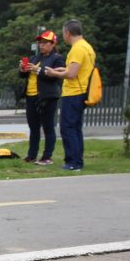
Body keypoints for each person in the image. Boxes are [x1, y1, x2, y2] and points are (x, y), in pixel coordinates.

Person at [44, 19, 95, 171]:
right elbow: (75, 70)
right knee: (76, 128)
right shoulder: (87, 47)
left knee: (68, 128)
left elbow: (71, 73)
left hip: (74, 92)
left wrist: (54, 73)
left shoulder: (77, 49)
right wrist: (61, 70)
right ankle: (77, 160)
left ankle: (72, 162)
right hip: (82, 90)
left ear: (67, 33)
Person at [18, 30, 65, 165]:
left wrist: (37, 70)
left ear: (53, 43)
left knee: (48, 127)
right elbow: (23, 76)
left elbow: (56, 76)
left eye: (45, 42)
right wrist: (22, 69)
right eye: (40, 42)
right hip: (31, 96)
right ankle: (31, 155)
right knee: (33, 127)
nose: (41, 45)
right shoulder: (35, 58)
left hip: (47, 97)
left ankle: (47, 156)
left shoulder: (57, 58)